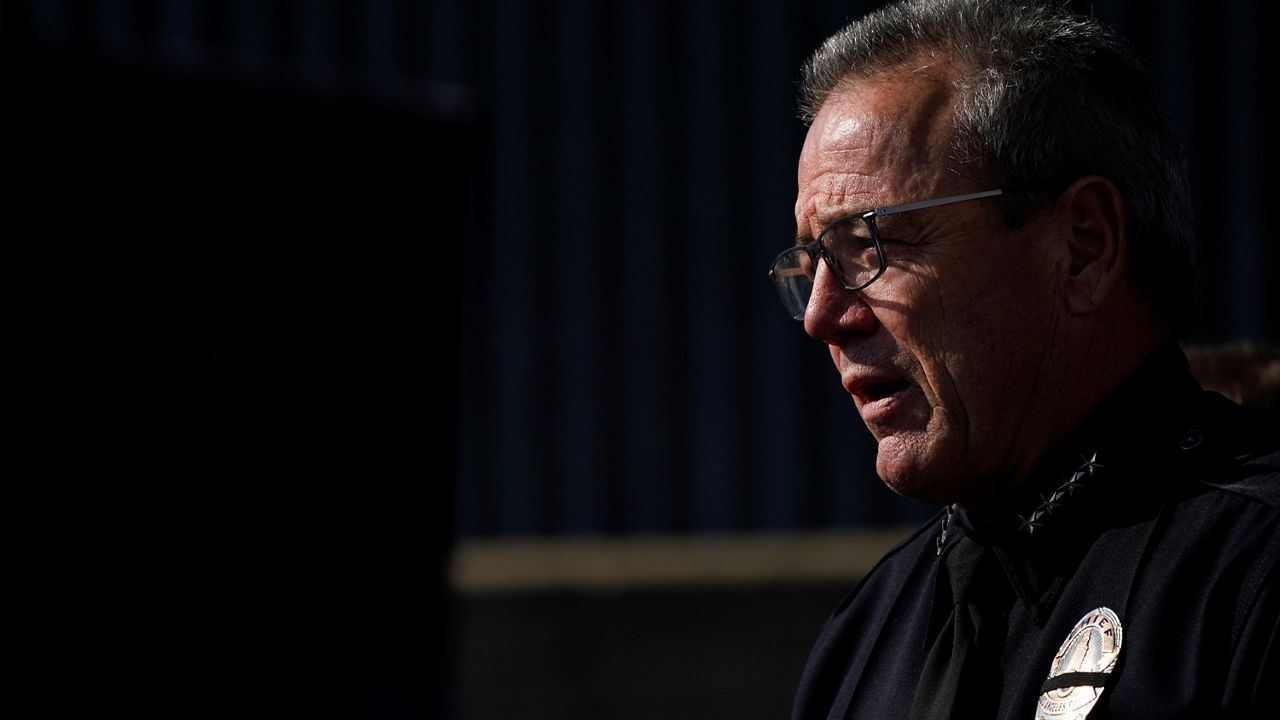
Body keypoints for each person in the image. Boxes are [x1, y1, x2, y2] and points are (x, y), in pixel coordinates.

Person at [768, 1, 1279, 718]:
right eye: (814, 260)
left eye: (871, 246)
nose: (823, 316)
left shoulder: (1249, 576)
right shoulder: (864, 639)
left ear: (1083, 246)